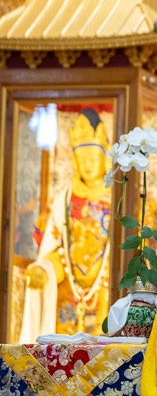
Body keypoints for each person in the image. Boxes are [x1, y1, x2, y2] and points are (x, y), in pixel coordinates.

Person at [21, 108, 111, 341]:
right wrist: (44, 268)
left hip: (106, 290)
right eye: (83, 159)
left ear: (106, 158)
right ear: (74, 160)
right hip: (66, 293)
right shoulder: (63, 200)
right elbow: (56, 250)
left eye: (93, 158)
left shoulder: (118, 199)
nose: (88, 165)